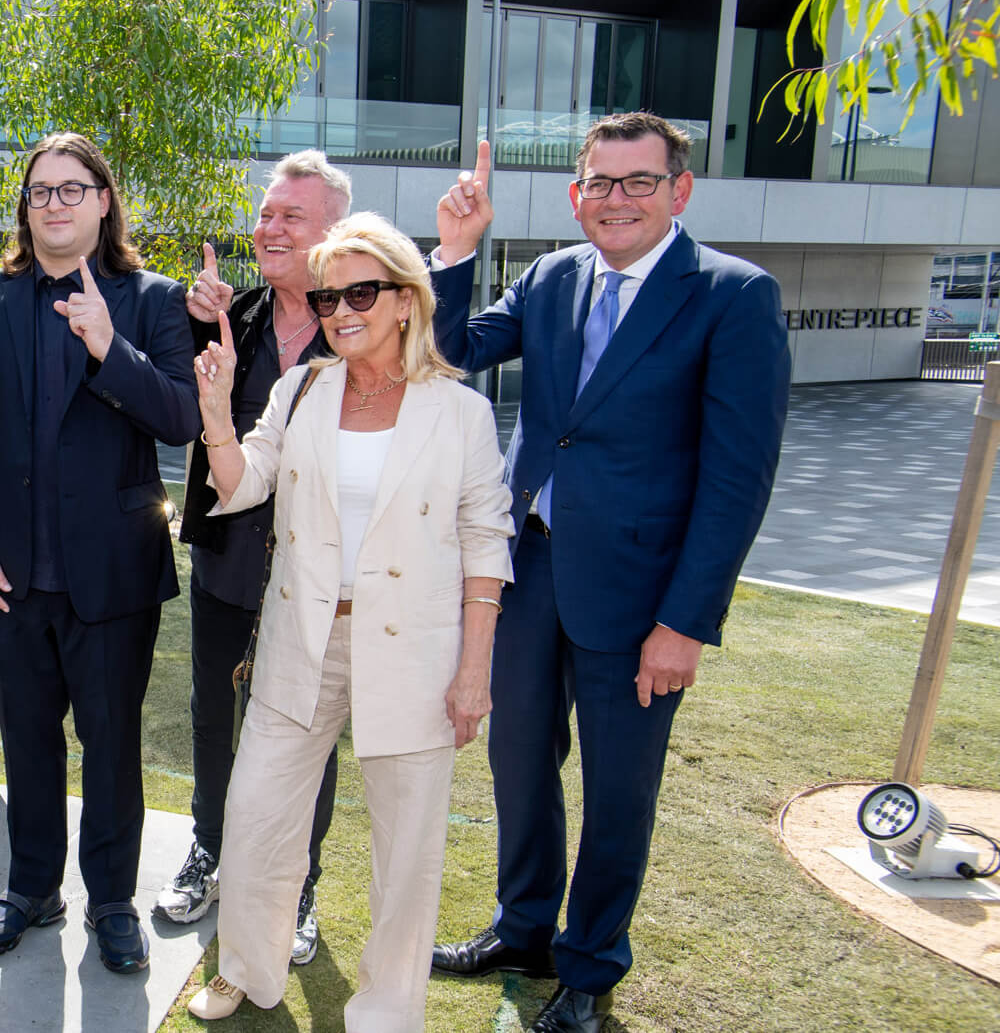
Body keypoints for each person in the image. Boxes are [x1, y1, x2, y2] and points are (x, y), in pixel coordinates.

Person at [427, 112, 789, 1033]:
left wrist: (686, 622)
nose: (616, 199)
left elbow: (736, 479)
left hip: (642, 599)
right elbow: (455, 349)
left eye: (638, 181)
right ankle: (524, 928)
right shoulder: (552, 276)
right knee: (518, 761)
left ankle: (588, 969)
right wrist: (457, 249)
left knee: (620, 790)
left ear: (680, 189)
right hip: (529, 570)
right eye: (600, 182)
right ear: (576, 191)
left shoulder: (732, 295)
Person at [182, 213, 511, 1028]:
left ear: (407, 299)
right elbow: (244, 482)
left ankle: (388, 1005)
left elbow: (484, 545)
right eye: (329, 295)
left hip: (414, 646)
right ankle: (247, 969)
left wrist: (475, 670)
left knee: (406, 847)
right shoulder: (302, 388)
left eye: (362, 290)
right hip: (304, 633)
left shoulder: (460, 411)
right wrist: (218, 416)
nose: (340, 309)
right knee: (255, 813)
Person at [0, 132, 200, 974]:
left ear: (102, 199)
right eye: (39, 191)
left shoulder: (152, 299)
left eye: (70, 188)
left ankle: (113, 900)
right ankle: (30, 889)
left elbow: (178, 419)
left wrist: (106, 346)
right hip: (11, 571)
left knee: (111, 743)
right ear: (26, 206)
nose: (53, 203)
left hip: (113, 571)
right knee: (26, 739)